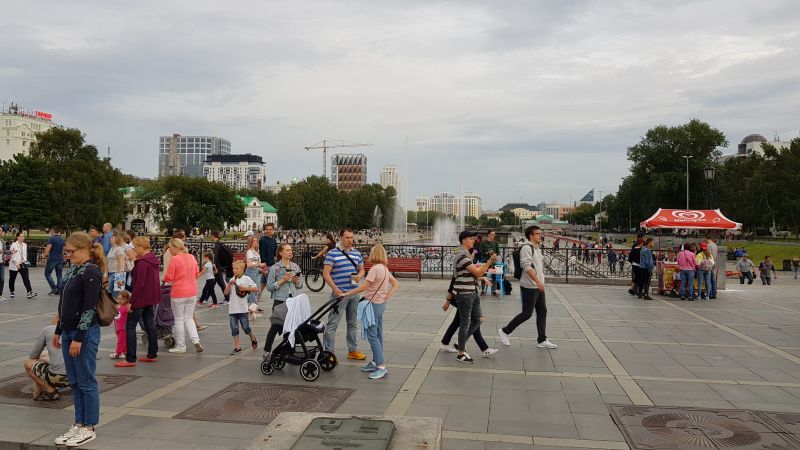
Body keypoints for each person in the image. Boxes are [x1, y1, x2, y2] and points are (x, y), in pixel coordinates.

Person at [52, 232, 103, 447]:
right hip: (67, 332)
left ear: (84, 249)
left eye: (71, 252)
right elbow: (64, 303)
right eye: (66, 252)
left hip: (84, 333)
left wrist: (79, 338)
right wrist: (58, 330)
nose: (68, 255)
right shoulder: (74, 270)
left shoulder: (91, 271)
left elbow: (89, 308)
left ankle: (89, 427)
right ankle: (79, 422)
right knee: (74, 381)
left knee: (86, 381)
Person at [341, 244, 400, 380]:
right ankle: (375, 361)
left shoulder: (374, 269)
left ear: (374, 254)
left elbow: (363, 287)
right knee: (378, 335)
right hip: (381, 305)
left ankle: (380, 366)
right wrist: (387, 296)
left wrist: (347, 293)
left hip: (372, 305)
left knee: (372, 336)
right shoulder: (384, 269)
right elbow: (396, 284)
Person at [499, 226, 558, 348]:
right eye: (537, 234)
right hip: (529, 286)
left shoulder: (537, 248)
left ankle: (542, 339)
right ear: (530, 235)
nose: (540, 236)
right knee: (527, 313)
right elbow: (526, 266)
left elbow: (537, 267)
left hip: (538, 286)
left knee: (542, 311)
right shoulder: (526, 248)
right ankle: (505, 331)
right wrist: (537, 281)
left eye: (540, 233)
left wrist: (540, 282)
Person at [115, 237, 160, 368]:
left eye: (135, 247)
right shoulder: (152, 259)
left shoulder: (143, 263)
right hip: (150, 298)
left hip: (140, 299)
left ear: (141, 247)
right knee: (150, 324)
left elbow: (139, 283)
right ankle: (152, 354)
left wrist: (131, 302)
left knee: (130, 326)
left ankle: (130, 358)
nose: (133, 249)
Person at [453, 230, 497, 363]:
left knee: (478, 320)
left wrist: (480, 273)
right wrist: (489, 261)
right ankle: (461, 353)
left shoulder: (466, 254)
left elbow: (473, 273)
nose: (473, 241)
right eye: (471, 239)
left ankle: (461, 343)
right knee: (465, 323)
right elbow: (477, 273)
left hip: (472, 291)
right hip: (465, 294)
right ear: (464, 240)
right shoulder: (462, 255)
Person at [322, 228, 367, 360]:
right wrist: (335, 289)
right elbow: (326, 274)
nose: (350, 240)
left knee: (353, 323)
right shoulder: (332, 254)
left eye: (351, 237)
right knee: (333, 323)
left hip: (354, 293)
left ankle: (352, 350)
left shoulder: (356, 253)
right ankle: (328, 352)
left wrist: (359, 275)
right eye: (347, 237)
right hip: (340, 294)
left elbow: (362, 269)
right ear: (341, 238)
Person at [162, 238, 203, 354]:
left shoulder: (175, 259)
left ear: (175, 247)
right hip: (192, 292)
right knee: (189, 318)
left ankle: (181, 346)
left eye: (170, 247)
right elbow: (196, 273)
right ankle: (195, 340)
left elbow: (169, 277)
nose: (169, 249)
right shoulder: (191, 257)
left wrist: (164, 279)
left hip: (179, 292)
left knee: (179, 319)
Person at [263, 243, 303, 357]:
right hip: (280, 301)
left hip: (293, 301)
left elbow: (300, 285)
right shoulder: (275, 268)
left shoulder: (295, 267)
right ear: (281, 253)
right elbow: (269, 287)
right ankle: (267, 351)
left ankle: (289, 351)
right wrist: (283, 280)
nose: (290, 252)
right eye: (287, 250)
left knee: (292, 328)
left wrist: (297, 282)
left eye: (291, 250)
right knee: (275, 326)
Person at [24, 316, 69, 401]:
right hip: (78, 377)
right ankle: (38, 393)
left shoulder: (49, 329)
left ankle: (50, 391)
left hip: (58, 377)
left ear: (58, 319)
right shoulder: (78, 330)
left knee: (29, 363)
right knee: (45, 358)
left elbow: (33, 356)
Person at [224, 260, 258, 355]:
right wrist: (229, 284)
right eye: (233, 268)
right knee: (234, 328)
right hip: (232, 309)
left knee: (246, 328)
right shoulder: (232, 279)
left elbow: (256, 289)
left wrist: (246, 288)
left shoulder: (246, 279)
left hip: (242, 309)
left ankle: (252, 337)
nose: (234, 270)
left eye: (236, 268)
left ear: (243, 269)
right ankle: (237, 347)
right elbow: (225, 293)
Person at [9, 232, 37, 299]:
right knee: (12, 279)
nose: (22, 238)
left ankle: (29, 292)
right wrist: (16, 263)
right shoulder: (14, 245)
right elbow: (12, 255)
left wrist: (25, 261)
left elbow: (24, 255)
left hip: (23, 264)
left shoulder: (25, 245)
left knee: (26, 278)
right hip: (15, 264)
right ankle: (12, 291)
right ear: (17, 237)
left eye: (23, 236)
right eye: (21, 236)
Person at [211, 230, 233, 304]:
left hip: (217, 267)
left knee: (221, 283)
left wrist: (215, 267)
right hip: (221, 266)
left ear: (213, 236)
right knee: (211, 283)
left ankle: (227, 298)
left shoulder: (216, 245)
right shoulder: (220, 244)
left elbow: (215, 257)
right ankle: (204, 297)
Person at [43, 227, 65, 296]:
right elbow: (63, 250)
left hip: (52, 259)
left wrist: (44, 255)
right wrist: (62, 258)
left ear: (52, 231)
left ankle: (54, 287)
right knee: (59, 275)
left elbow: (48, 248)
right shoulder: (62, 239)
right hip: (60, 259)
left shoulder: (51, 239)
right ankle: (59, 290)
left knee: (47, 273)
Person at [106, 230, 128, 298]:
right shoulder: (111, 249)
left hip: (118, 274)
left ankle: (118, 308)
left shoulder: (119, 249)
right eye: (111, 237)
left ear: (117, 238)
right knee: (111, 292)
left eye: (112, 237)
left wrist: (120, 275)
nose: (110, 238)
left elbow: (121, 261)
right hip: (111, 273)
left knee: (117, 294)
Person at [258, 223, 279, 296]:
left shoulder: (273, 240)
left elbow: (275, 254)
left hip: (272, 265)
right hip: (267, 266)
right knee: (273, 287)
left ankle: (253, 303)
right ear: (265, 230)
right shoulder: (262, 240)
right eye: (267, 229)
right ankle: (277, 303)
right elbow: (262, 255)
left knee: (262, 285)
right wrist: (265, 268)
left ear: (273, 230)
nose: (268, 231)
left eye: (270, 229)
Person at [109, 290, 130, 359]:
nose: (120, 300)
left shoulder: (126, 307)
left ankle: (118, 353)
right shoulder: (116, 307)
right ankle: (125, 352)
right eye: (118, 298)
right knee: (123, 341)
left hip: (123, 329)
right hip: (118, 328)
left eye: (122, 299)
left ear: (126, 300)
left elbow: (132, 310)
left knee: (120, 342)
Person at [479, 230, 500, 295]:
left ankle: (493, 290)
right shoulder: (483, 243)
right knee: (484, 275)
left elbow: (498, 252)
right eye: (492, 234)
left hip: (493, 263)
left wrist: (495, 254)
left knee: (494, 275)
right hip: (485, 262)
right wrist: (487, 252)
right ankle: (482, 290)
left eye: (494, 234)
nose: (493, 236)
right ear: (488, 235)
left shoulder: (495, 243)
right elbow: (480, 252)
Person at [245, 236, 262, 307]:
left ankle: (244, 302)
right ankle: (252, 309)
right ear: (251, 242)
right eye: (254, 241)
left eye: (256, 241)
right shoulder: (250, 252)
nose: (256, 242)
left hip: (255, 272)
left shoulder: (254, 251)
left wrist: (260, 267)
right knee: (254, 291)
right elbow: (248, 264)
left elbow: (253, 262)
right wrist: (259, 264)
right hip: (251, 272)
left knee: (255, 291)